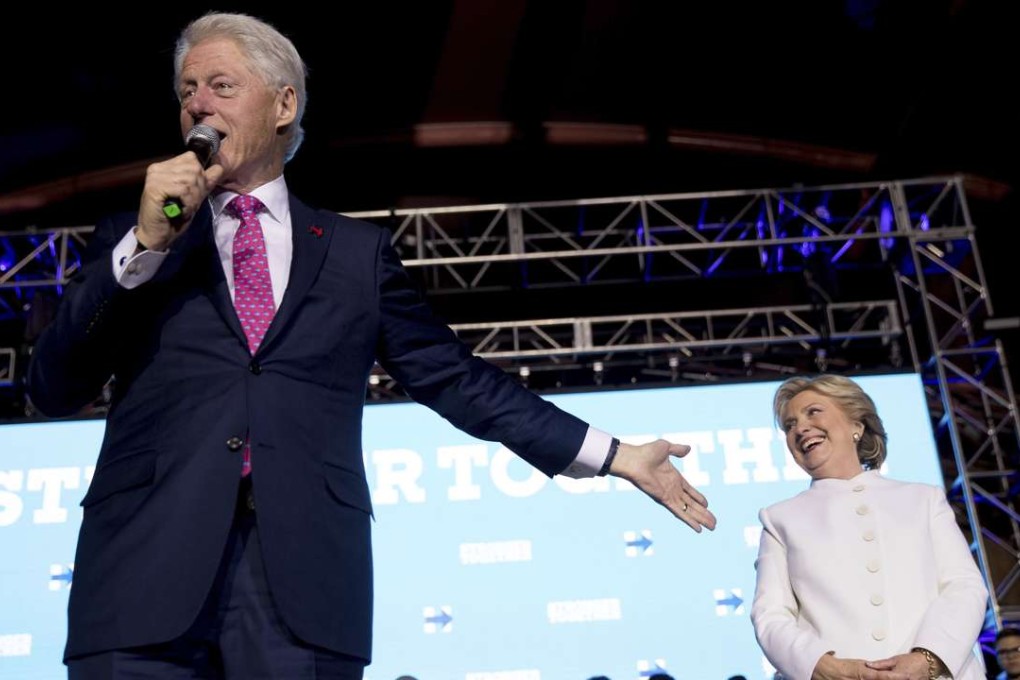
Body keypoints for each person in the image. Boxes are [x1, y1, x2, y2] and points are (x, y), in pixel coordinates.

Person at [25, 11, 716, 680]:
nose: (197, 104)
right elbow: (54, 386)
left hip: (302, 591)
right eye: (186, 91)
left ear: (284, 104)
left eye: (221, 86)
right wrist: (144, 246)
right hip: (140, 581)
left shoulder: (356, 256)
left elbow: (455, 378)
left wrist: (614, 455)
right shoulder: (136, 238)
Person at [750, 374, 988, 680]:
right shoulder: (779, 518)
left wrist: (926, 659)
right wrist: (824, 666)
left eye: (813, 412)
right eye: (789, 425)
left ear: (856, 426)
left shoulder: (923, 499)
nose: (800, 428)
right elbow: (770, 616)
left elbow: (964, 586)